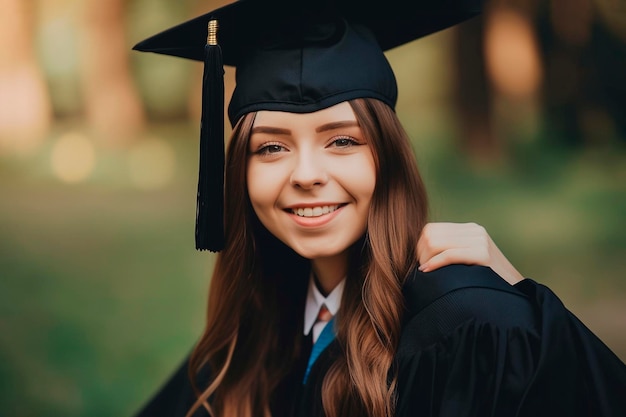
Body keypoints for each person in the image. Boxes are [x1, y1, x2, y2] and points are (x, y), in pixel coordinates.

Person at [132, 1, 626, 416]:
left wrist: (522, 308)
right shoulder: (255, 327)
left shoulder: (464, 320)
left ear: (388, 157)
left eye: (342, 140)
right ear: (239, 171)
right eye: (271, 148)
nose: (305, 174)